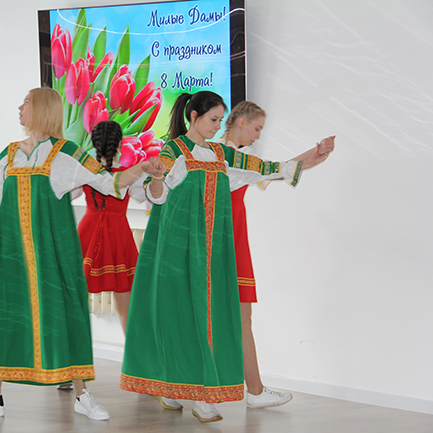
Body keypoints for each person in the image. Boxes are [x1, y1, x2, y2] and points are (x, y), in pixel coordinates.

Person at [0, 88, 164, 421]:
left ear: (43, 108)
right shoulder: (10, 154)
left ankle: (82, 395)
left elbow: (110, 184)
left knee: (67, 316)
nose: (20, 107)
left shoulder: (66, 154)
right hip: (9, 252)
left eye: (26, 102)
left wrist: (143, 167)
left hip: (53, 255)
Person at [119, 91, 333, 423]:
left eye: (220, 120)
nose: (217, 127)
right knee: (175, 317)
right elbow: (155, 196)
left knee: (208, 318)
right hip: (176, 251)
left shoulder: (221, 155)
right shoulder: (173, 151)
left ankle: (203, 395)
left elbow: (268, 169)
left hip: (211, 253)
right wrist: (158, 178)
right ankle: (172, 385)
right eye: (213, 119)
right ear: (194, 116)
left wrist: (315, 156)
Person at [221, 101, 334, 408]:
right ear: (241, 122)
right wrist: (312, 157)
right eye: (257, 128)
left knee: (239, 317)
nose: (258, 135)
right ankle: (243, 391)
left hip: (230, 237)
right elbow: (274, 169)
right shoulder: (224, 156)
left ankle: (253, 391)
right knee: (234, 317)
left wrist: (314, 155)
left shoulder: (236, 157)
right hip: (223, 239)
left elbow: (274, 169)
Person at [77, 120, 145, 334]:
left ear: (94, 143)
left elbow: (64, 194)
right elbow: (145, 197)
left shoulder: (85, 172)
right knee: (125, 304)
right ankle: (132, 353)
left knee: (75, 296)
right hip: (118, 234)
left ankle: (72, 350)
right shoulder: (129, 174)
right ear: (120, 143)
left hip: (88, 231)